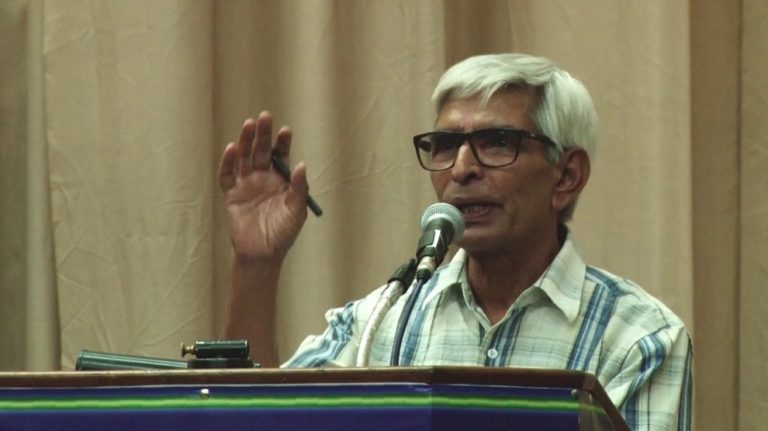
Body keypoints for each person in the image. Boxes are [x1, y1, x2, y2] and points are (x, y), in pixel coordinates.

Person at [218, 53, 692, 430]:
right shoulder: (383, 321)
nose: (462, 168)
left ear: (567, 176)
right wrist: (256, 265)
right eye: (445, 145)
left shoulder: (638, 338)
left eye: (498, 142)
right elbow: (253, 419)